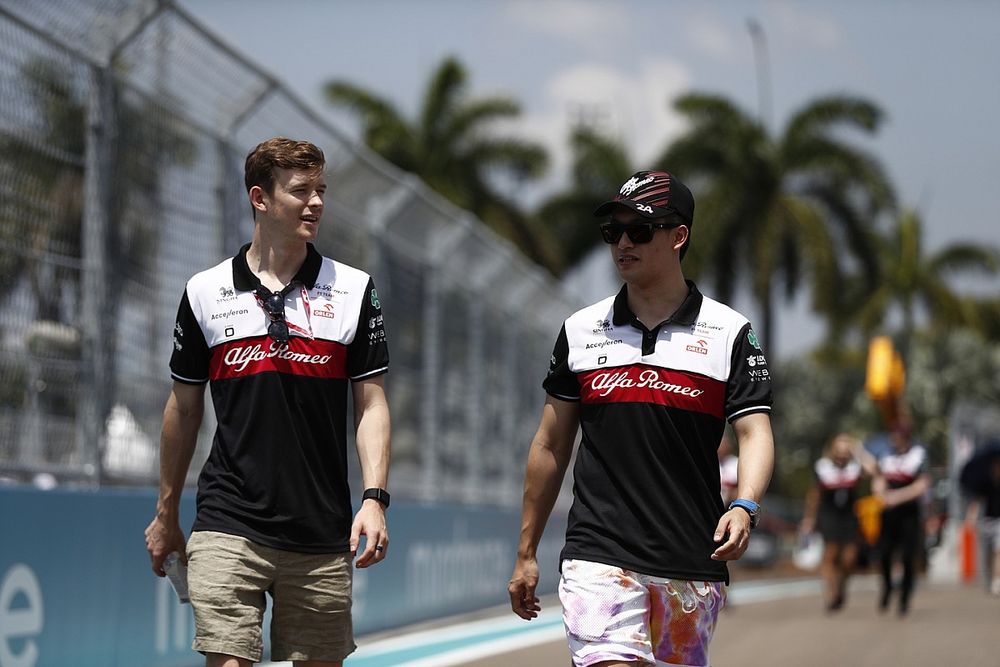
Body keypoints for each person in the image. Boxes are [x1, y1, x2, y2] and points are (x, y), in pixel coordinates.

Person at [507, 171, 775, 667]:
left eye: (640, 230)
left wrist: (746, 506)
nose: (623, 243)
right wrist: (526, 551)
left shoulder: (729, 333)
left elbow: (754, 430)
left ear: (679, 236)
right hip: (597, 552)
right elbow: (550, 445)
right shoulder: (581, 330)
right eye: (614, 231)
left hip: (692, 559)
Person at [144, 137, 392, 667]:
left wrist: (374, 497)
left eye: (322, 189)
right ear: (259, 198)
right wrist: (166, 513)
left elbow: (371, 404)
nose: (317, 202)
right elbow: (183, 410)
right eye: (301, 191)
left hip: (321, 529)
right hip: (226, 520)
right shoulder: (203, 291)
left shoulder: (354, 289)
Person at [799, 433, 877, 611]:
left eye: (845, 451)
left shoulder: (855, 467)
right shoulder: (822, 467)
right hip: (829, 515)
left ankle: (842, 587)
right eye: (838, 450)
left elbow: (873, 470)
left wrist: (858, 451)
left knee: (850, 558)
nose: (842, 455)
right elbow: (814, 495)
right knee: (831, 555)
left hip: (849, 516)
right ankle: (831, 593)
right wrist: (809, 519)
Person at [873, 416, 931, 617]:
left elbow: (922, 485)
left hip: (909, 513)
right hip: (888, 513)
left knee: (908, 556)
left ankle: (905, 597)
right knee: (885, 554)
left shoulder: (918, 455)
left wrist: (896, 497)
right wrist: (880, 494)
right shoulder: (885, 455)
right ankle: (888, 587)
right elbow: (879, 479)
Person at [718, 431, 739, 505]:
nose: (721, 449)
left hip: (730, 505)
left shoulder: (736, 463)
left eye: (724, 446)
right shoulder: (710, 463)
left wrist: (728, 494)